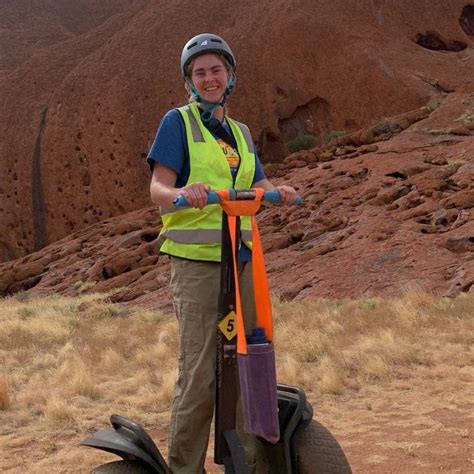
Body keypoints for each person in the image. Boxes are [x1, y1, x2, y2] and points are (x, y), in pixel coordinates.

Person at [147, 33, 297, 474]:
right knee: (200, 373)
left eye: (217, 70)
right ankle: (185, 468)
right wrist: (182, 192)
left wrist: (278, 191)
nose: (209, 78)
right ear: (189, 81)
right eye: (200, 72)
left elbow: (259, 183)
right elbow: (158, 189)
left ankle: (245, 463)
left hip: (243, 259)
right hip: (197, 265)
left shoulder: (242, 132)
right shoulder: (178, 122)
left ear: (230, 76)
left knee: (249, 362)